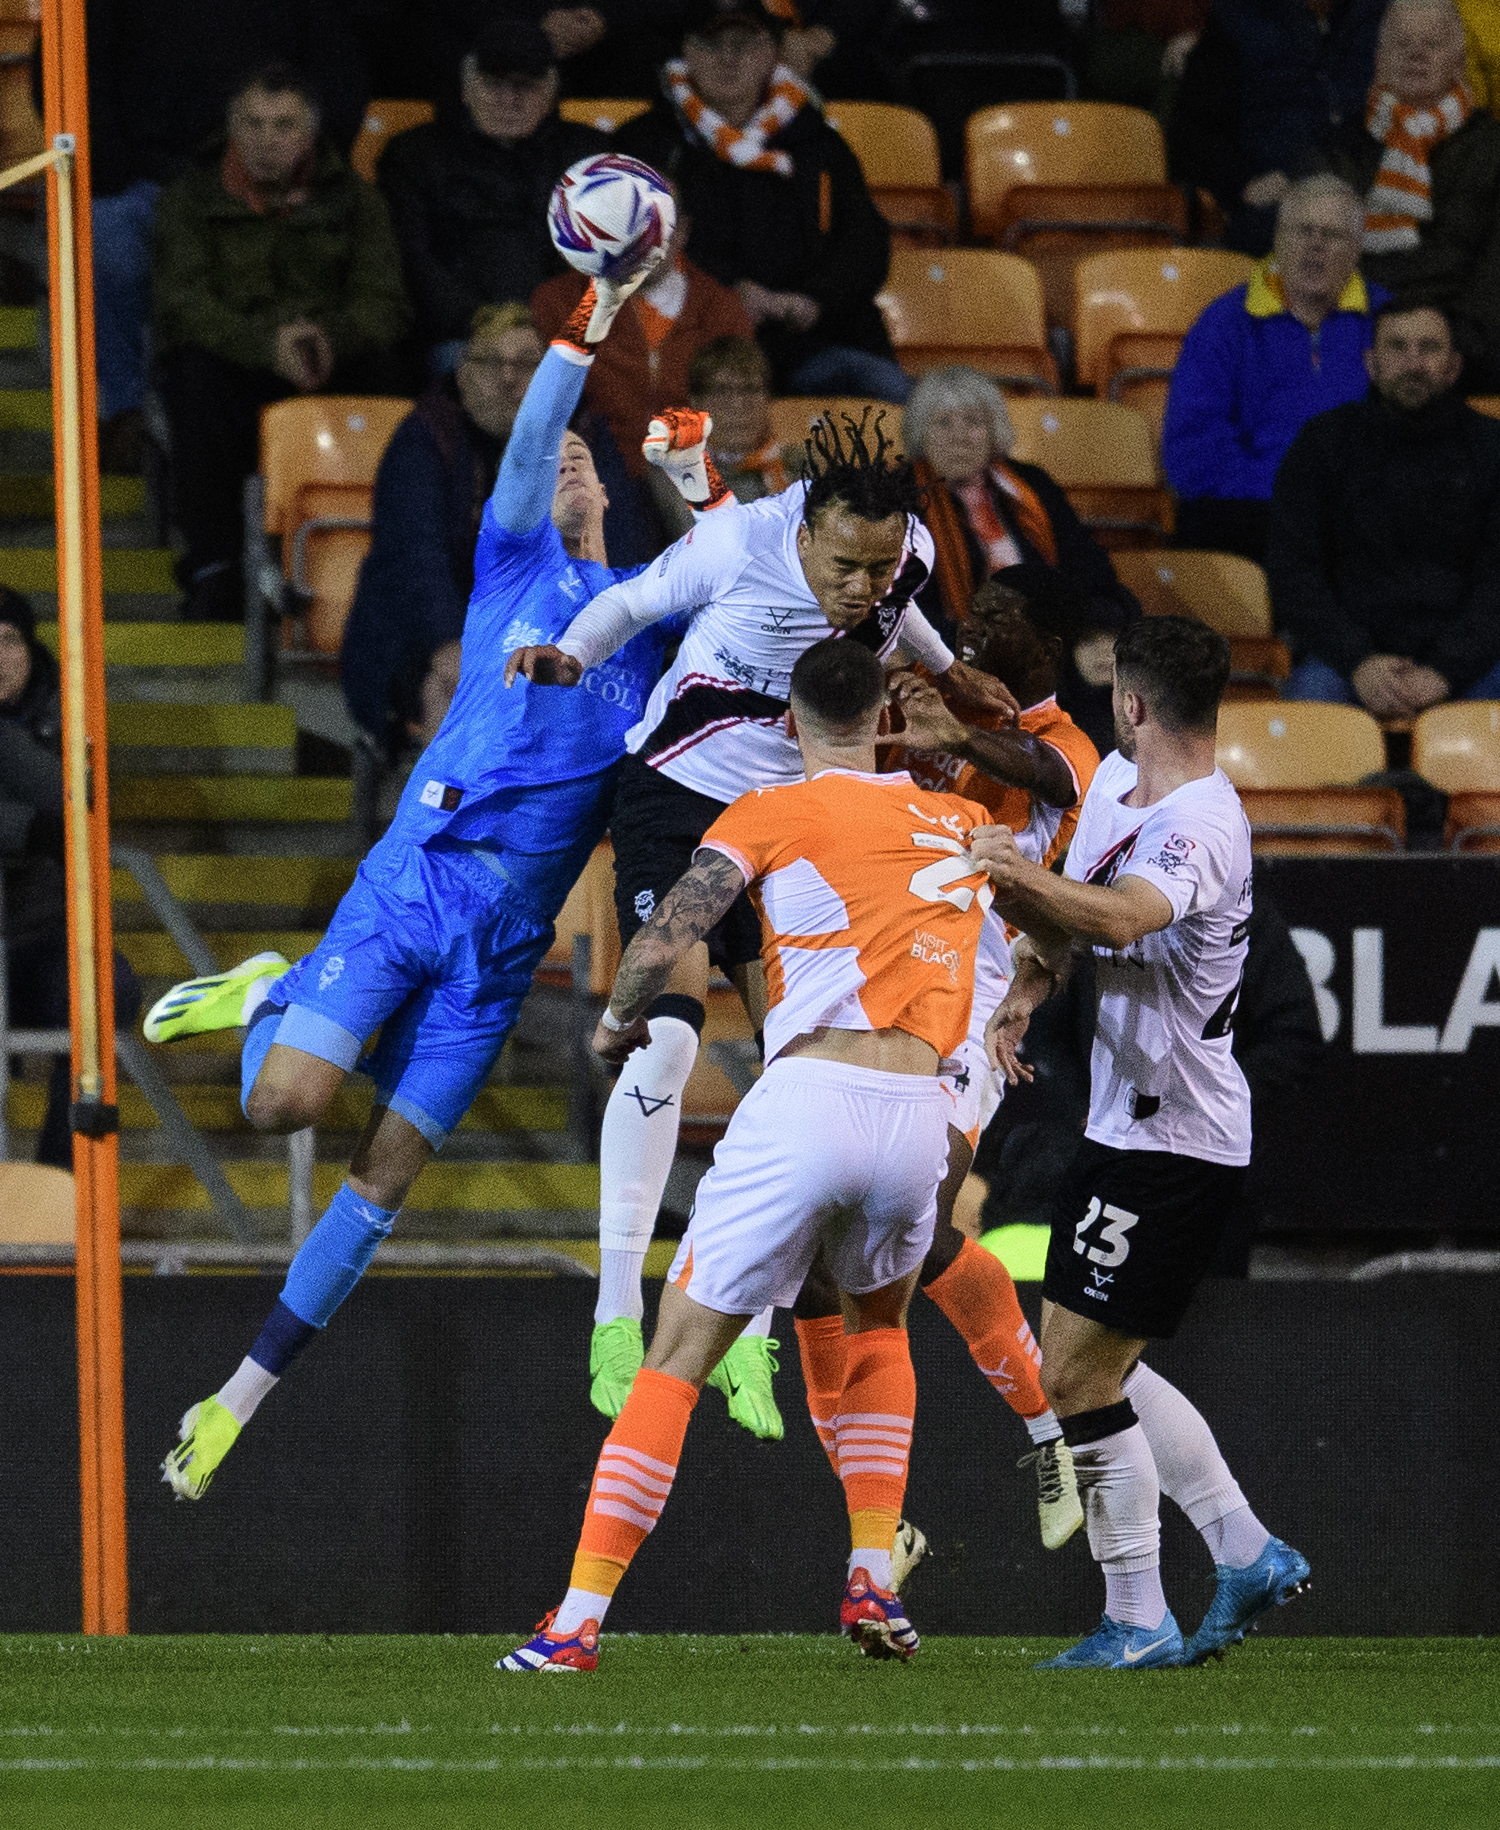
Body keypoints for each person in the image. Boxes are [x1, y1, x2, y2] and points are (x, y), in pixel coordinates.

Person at [144, 253, 687, 1503]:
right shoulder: (510, 570)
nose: (554, 468)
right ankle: (276, 990)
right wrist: (586, 324)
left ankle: (235, 1401)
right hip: (416, 883)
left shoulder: (649, 636)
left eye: (574, 463)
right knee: (283, 1106)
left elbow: (729, 600)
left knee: (385, 1174)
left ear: (605, 488)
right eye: (543, 462)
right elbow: (528, 434)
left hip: (502, 953)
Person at [506, 409, 1016, 1437]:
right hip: (679, 792)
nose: (861, 588)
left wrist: (949, 665)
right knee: (670, 1020)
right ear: (805, 524)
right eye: (845, 566)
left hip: (793, 814)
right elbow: (640, 598)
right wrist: (566, 654)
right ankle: (616, 1309)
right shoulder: (743, 540)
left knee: (799, 1064)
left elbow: (905, 610)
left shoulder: (899, 555)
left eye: (878, 567)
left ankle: (750, 1325)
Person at [501, 638, 996, 1672]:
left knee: (679, 1350)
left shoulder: (769, 809)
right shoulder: (961, 821)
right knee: (879, 1327)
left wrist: (615, 1023)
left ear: (788, 722)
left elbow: (674, 927)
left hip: (809, 1095)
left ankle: (576, 1623)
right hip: (918, 1112)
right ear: (881, 719)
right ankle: (870, 1569)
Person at [973, 615, 1310, 1670]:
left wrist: (1008, 873)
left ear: (1131, 699)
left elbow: (1121, 917)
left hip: (1176, 1141)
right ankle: (1243, 1548)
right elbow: (1072, 927)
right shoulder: (1120, 781)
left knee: (1073, 1373)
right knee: (1093, 1361)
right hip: (1129, 1124)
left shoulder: (1205, 826)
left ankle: (1138, 1613)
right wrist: (1027, 987)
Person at [790, 570, 1099, 1559]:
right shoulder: (942, 704)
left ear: (1046, 643)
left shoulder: (1065, 746)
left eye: (1005, 614)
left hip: (967, 1000)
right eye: (974, 613)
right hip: (873, 988)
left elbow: (1055, 782)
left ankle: (1053, 1438)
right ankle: (873, 1533)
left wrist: (956, 736)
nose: (977, 625)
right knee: (805, 1274)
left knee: (914, 1237)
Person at [152, 64, 409, 622]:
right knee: (195, 382)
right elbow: (184, 305)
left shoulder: (359, 203)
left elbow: (383, 303)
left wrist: (328, 340)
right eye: (254, 123)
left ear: (311, 131)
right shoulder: (188, 200)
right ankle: (216, 566)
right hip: (232, 356)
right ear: (231, 127)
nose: (267, 139)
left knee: (390, 373)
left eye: (284, 125)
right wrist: (267, 345)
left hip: (329, 355)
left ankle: (374, 560)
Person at [77, 0, 371, 471]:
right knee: (106, 238)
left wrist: (306, 170)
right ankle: (124, 410)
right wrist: (112, 165)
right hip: (146, 176)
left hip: (268, 176)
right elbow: (70, 61)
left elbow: (339, 69)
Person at [614, 0, 910, 399]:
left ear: (772, 53)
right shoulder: (644, 143)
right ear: (686, 51)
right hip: (689, 342)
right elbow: (632, 240)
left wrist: (814, 300)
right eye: (712, 44)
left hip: (819, 340)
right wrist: (729, 291)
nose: (729, 59)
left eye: (745, 44)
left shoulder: (818, 142)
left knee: (899, 401)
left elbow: (864, 241)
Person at [1269, 300, 1500, 712]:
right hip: (1345, 660)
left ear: (1453, 366)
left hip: (1470, 660)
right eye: (1398, 347)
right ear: (1371, 363)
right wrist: (1359, 661)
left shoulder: (1492, 448)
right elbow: (1294, 572)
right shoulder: (1322, 443)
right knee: (1311, 717)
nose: (1414, 362)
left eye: (1428, 348)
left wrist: (1445, 670)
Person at [340, 303, 542, 752]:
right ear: (464, 373)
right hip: (416, 635)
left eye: (527, 364)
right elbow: (415, 558)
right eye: (491, 362)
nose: (509, 379)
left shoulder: (578, 436)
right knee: (450, 692)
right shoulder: (426, 437)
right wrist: (448, 644)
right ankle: (442, 816)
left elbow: (610, 548)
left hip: (535, 636)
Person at [1162, 175, 1384, 563]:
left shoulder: (1388, 322)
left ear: (1356, 251)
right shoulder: (1225, 322)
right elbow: (1192, 451)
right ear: (1278, 239)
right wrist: (1293, 495)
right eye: (1303, 231)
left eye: (1331, 235)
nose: (1315, 245)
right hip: (1253, 512)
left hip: (1361, 512)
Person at [377, 17, 608, 371]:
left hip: (561, 337)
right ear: (466, 88)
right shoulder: (414, 156)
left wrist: (547, 326)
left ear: (551, 93)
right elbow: (414, 263)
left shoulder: (588, 158)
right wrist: (487, 328)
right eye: (494, 84)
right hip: (461, 336)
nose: (509, 99)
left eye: (525, 86)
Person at [0, 592, 140, 1168]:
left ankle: (61, 1188)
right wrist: (23, 825)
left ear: (30, 648)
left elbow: (78, 802)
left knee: (107, 993)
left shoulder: (71, 713)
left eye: (8, 640)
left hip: (40, 934)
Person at [1323, 0, 1500, 390]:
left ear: (1458, 63)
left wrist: (1443, 349)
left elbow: (1493, 286)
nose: (1416, 54)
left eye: (1431, 44)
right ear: (1378, 61)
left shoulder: (1492, 150)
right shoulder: (1339, 148)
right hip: (1357, 351)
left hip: (1465, 359)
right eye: (1402, 45)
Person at [901, 365, 1140, 650]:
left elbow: (1091, 573)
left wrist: (1091, 636)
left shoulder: (1033, 484)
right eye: (943, 423)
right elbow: (905, 610)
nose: (959, 436)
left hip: (1047, 644)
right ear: (920, 432)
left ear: (993, 432)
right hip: (951, 650)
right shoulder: (900, 496)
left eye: (973, 422)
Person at [531, 215, 755, 478]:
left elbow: (742, 410)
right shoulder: (560, 302)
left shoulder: (723, 310)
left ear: (682, 230)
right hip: (594, 474)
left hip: (695, 478)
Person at [1168, 0, 1386, 255]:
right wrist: (1243, 184)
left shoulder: (1381, 14)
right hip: (1275, 207)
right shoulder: (1237, 19)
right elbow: (1192, 137)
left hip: (1371, 188)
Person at [645, 335, 800, 539]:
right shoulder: (670, 477)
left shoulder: (799, 468)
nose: (738, 405)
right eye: (722, 391)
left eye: (750, 390)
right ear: (696, 403)